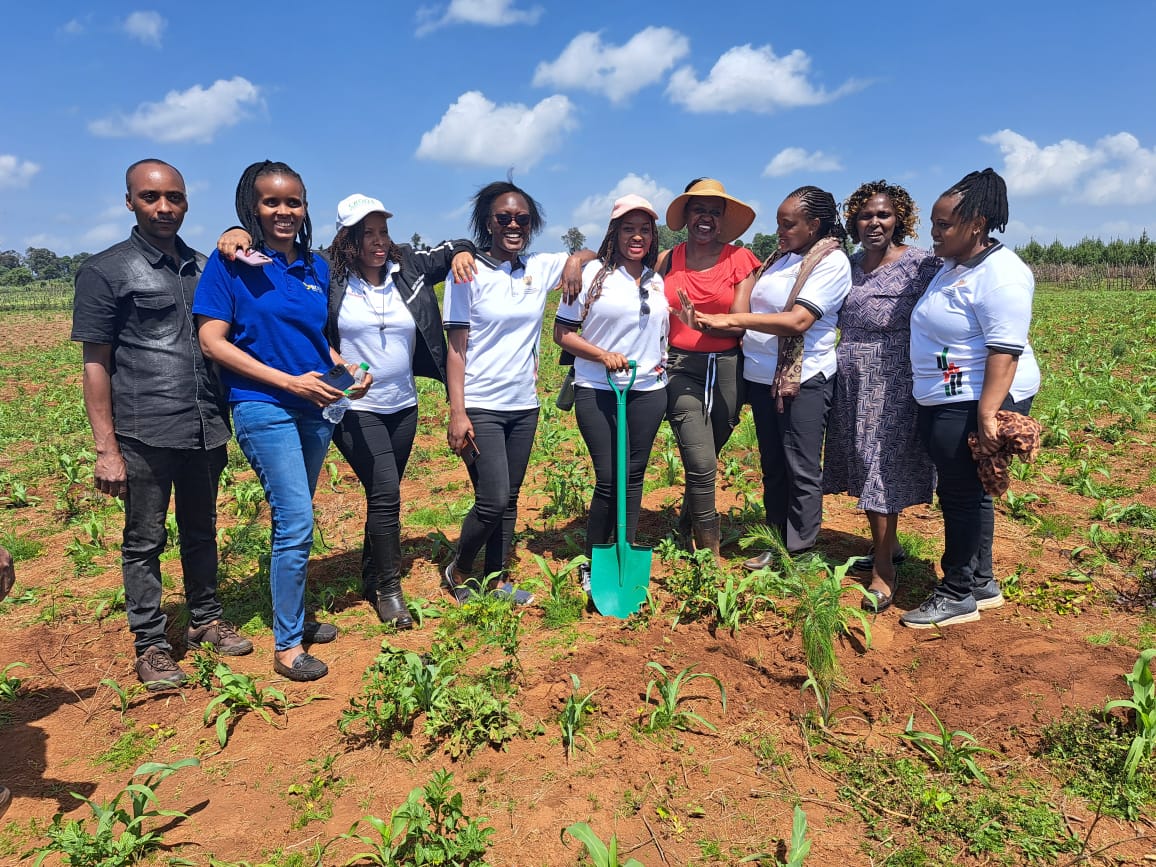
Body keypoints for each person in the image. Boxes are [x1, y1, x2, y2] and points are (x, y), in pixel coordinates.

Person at [216, 195, 475, 628]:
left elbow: (455, 246)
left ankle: (371, 576)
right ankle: (389, 590)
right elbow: (272, 256)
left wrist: (464, 251)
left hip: (402, 404)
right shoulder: (327, 273)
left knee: (381, 496)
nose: (377, 242)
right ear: (346, 239)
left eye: (382, 232)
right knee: (387, 491)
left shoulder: (406, 266)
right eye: (365, 234)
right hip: (353, 407)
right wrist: (237, 232)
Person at [72, 159, 251, 691]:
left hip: (204, 425)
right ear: (130, 201)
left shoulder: (204, 267)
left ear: (187, 201)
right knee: (143, 540)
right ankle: (150, 644)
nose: (164, 207)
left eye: (174, 197)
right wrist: (106, 447)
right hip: (143, 429)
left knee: (202, 530)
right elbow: (95, 363)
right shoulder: (106, 270)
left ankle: (205, 619)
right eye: (151, 197)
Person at [195, 160, 370, 681]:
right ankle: (288, 643)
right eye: (272, 202)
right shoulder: (231, 263)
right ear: (252, 206)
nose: (284, 211)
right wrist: (288, 382)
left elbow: (315, 337)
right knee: (294, 519)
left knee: (299, 517)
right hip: (262, 405)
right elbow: (212, 341)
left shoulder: (316, 267)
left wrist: (344, 368)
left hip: (315, 407)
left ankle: (292, 615)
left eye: (293, 201)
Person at [442, 180, 592, 603]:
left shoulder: (538, 267)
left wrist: (575, 261)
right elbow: (456, 348)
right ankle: (460, 569)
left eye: (522, 219)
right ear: (487, 222)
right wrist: (457, 412)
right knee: (491, 499)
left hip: (523, 406)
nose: (513, 224)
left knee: (509, 499)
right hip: (481, 404)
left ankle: (497, 580)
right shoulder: (466, 273)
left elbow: (593, 251)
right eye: (503, 217)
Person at [901, 168, 1039, 628]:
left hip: (975, 400)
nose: (934, 234)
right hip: (950, 395)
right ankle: (981, 581)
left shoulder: (1002, 275)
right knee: (972, 492)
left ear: (976, 225)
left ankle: (956, 591)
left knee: (960, 494)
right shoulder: (955, 266)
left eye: (944, 226)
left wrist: (987, 415)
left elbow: (1005, 349)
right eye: (934, 225)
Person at [686, 186, 851, 567]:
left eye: (788, 224)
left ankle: (802, 551)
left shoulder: (830, 261)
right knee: (774, 465)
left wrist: (732, 320)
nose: (780, 230)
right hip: (764, 379)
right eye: (779, 223)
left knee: (801, 466)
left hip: (802, 380)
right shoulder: (780, 259)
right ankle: (777, 544)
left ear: (814, 225)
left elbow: (799, 321)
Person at [821, 181, 940, 612]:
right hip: (850, 375)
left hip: (895, 377)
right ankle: (887, 544)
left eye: (884, 215)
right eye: (866, 215)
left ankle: (884, 569)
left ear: (900, 220)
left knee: (879, 465)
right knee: (864, 460)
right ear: (853, 220)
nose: (875, 223)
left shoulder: (922, 265)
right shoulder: (846, 265)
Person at [554, 195, 669, 589]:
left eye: (644, 230)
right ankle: (594, 559)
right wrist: (602, 355)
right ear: (614, 233)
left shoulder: (657, 279)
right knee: (608, 477)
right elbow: (563, 334)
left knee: (633, 476)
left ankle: (626, 549)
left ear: (653, 236)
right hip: (598, 388)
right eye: (628, 229)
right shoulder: (588, 276)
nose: (636, 237)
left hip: (648, 390)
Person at [659, 179, 761, 555]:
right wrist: (577, 259)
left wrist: (704, 322)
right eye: (698, 209)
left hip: (728, 370)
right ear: (687, 216)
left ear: (723, 221)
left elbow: (740, 318)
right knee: (701, 463)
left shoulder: (740, 260)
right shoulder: (667, 259)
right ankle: (710, 553)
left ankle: (685, 525)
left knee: (709, 454)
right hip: (680, 367)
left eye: (714, 212)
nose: (706, 218)